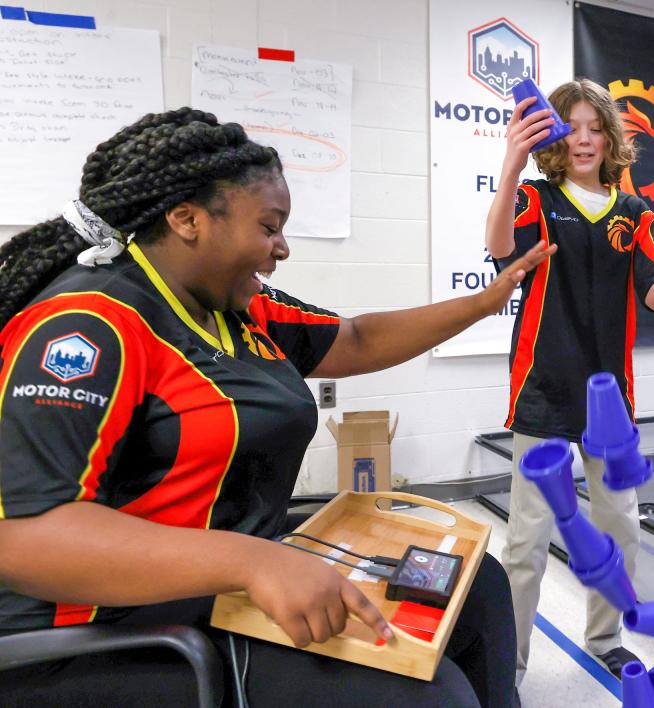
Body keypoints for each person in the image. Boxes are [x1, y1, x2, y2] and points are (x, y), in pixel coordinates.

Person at [0, 107, 556, 707]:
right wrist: (251, 562)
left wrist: (486, 303)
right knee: (428, 696)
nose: (282, 247)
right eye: (269, 227)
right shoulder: (86, 325)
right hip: (106, 630)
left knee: (476, 588)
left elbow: (356, 338)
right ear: (187, 220)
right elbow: (26, 537)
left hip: (218, 579)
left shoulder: (233, 306)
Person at [484, 79, 654, 685]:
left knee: (620, 527)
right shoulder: (535, 197)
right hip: (544, 391)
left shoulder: (634, 214)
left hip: (609, 402)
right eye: (572, 126)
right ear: (555, 135)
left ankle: (605, 635)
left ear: (610, 137)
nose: (583, 138)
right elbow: (499, 245)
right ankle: (512, 659)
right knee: (526, 540)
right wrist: (509, 165)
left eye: (594, 127)